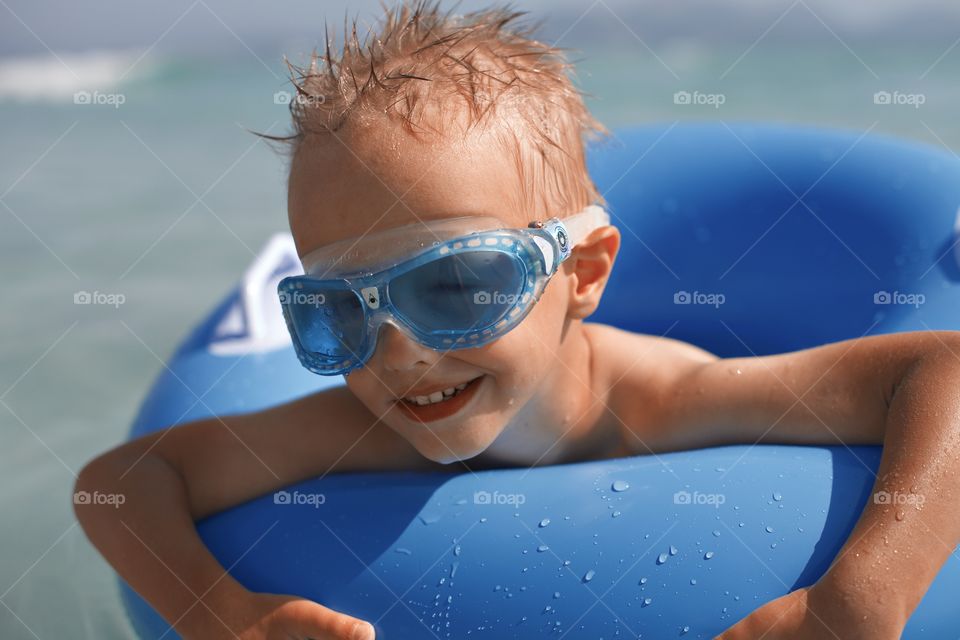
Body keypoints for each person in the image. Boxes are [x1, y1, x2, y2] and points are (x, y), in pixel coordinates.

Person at [74, 2, 960, 639]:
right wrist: (220, 612)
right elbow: (121, 483)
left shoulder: (662, 401)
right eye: (338, 310)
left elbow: (944, 372)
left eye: (456, 287)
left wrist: (860, 597)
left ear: (583, 272)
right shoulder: (364, 424)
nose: (401, 352)